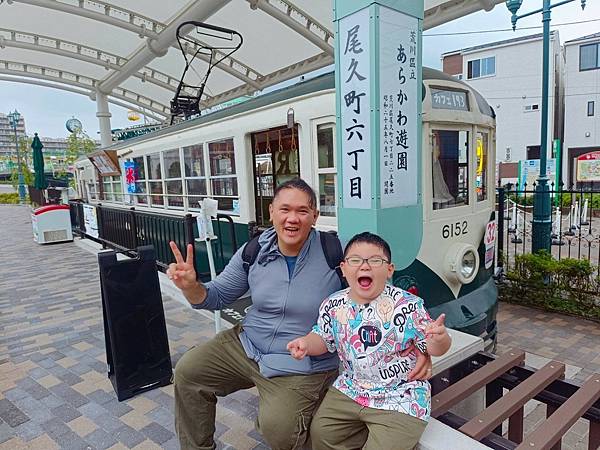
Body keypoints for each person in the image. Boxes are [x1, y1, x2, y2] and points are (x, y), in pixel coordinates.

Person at [167, 179, 432, 450]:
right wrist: (192, 287)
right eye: (285, 209)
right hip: (246, 344)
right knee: (188, 372)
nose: (292, 219)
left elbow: (382, 298)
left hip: (302, 360)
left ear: (315, 216)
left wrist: (420, 345)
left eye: (303, 211)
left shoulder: (335, 252)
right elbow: (216, 296)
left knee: (279, 430)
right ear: (271, 212)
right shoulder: (255, 250)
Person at [287, 232, 451, 450]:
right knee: (322, 432)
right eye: (355, 260)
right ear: (344, 269)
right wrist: (306, 344)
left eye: (375, 260)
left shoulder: (408, 305)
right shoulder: (333, 305)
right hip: (350, 389)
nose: (365, 266)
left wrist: (440, 338)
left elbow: (432, 347)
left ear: (389, 269)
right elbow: (323, 337)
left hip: (400, 396)